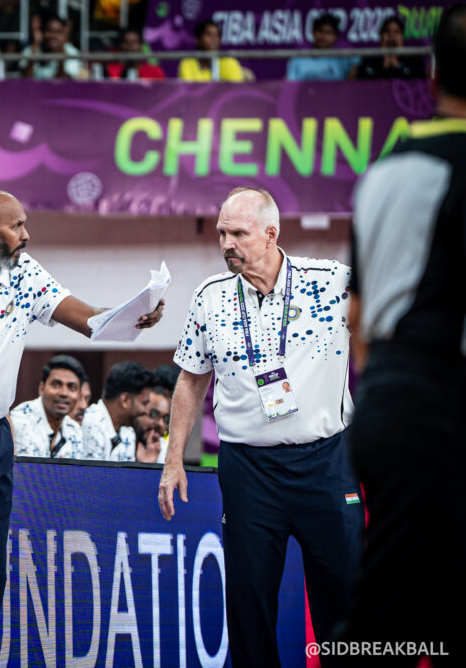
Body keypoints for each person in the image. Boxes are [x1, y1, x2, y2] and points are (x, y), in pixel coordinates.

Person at [0, 189, 164, 668]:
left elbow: (90, 321)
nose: (26, 234)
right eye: (17, 226)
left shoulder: (24, 275)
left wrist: (135, 317)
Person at [158, 187, 361, 668]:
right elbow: (190, 380)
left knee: (345, 601)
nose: (227, 242)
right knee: (249, 605)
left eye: (239, 233)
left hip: (327, 461)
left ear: (271, 234)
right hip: (249, 469)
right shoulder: (210, 297)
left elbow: (391, 313)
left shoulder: (332, 281)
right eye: (222, 232)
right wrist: (173, 459)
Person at [336, 4, 466, 663]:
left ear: (433, 68)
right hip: (442, 400)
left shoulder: (382, 172)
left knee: (393, 610)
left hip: (390, 402)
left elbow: (356, 315)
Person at [10, 354, 87, 459]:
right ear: (41, 388)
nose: (64, 393)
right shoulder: (18, 421)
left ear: (79, 394)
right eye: (56, 385)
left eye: (72, 387)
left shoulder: (75, 431)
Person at [81, 360, 155, 461]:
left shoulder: (128, 432)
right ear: (125, 400)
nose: (146, 411)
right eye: (144, 403)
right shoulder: (92, 421)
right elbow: (94, 475)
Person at [351, 15, 427, 80]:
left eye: (396, 32)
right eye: (387, 31)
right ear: (381, 36)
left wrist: (397, 67)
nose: (391, 36)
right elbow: (361, 86)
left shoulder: (414, 60)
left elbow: (420, 86)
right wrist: (384, 68)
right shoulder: (369, 60)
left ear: (402, 37)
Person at [286, 14, 357, 81]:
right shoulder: (298, 59)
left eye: (328, 32)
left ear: (336, 36)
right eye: (320, 30)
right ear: (313, 32)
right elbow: (290, 86)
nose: (323, 36)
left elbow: (350, 83)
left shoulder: (342, 58)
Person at [21, 13, 85, 80]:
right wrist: (35, 45)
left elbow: (64, 84)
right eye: (49, 31)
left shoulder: (72, 53)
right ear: (43, 32)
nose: (53, 36)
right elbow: (26, 81)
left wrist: (61, 57)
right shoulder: (30, 50)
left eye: (58, 32)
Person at [178, 19, 244, 82]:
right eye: (209, 34)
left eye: (218, 35)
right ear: (198, 40)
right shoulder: (187, 63)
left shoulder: (230, 62)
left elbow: (236, 91)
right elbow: (188, 91)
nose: (214, 39)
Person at [134, 385, 169, 463]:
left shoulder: (164, 449)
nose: (161, 424)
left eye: (166, 419)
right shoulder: (122, 437)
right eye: (154, 414)